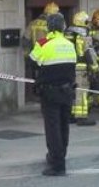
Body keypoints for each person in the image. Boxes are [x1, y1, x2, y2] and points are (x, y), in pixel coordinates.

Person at [30, 13, 78, 177]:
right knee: (64, 126)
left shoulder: (43, 43)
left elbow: (32, 62)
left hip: (50, 92)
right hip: (67, 91)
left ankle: (57, 164)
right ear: (63, 26)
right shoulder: (69, 44)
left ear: (48, 27)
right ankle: (60, 156)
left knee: (53, 129)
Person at [66, 10, 98, 126]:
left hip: (69, 66)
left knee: (72, 91)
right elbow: (88, 52)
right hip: (81, 68)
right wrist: (94, 67)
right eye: (87, 21)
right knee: (82, 91)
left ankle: (71, 115)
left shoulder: (68, 33)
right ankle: (82, 117)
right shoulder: (83, 34)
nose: (88, 23)